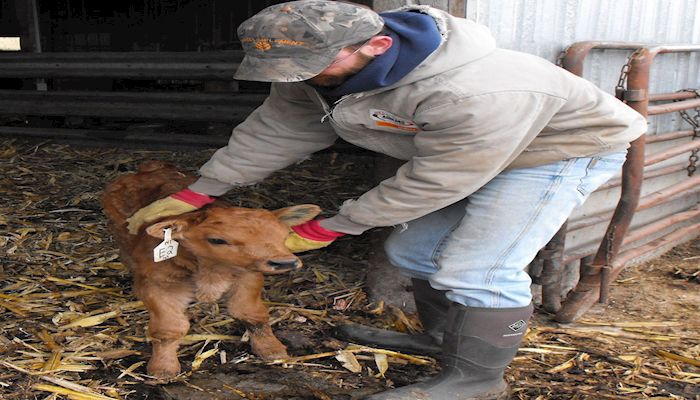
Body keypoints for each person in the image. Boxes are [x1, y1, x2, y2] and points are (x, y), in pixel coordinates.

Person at [125, 1, 647, 399]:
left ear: (374, 46)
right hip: (460, 157)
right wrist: (198, 192)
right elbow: (276, 132)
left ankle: (475, 379)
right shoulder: (310, 70)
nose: (294, 78)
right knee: (413, 254)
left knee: (478, 270)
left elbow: (437, 179)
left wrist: (327, 226)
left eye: (306, 66)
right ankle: (444, 342)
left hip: (551, 156)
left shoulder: (476, 89)